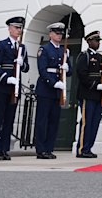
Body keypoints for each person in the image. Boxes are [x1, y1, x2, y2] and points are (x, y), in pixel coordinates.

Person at [0, 16, 29, 161]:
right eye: (16, 27)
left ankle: (4, 149)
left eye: (20, 28)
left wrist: (22, 63)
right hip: (1, 86)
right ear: (9, 28)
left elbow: (26, 67)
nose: (19, 30)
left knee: (9, 119)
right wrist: (5, 77)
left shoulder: (22, 47)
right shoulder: (2, 44)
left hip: (14, 88)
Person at [34, 22, 72, 159]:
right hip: (46, 89)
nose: (59, 35)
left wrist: (67, 68)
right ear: (50, 34)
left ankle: (49, 148)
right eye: (56, 33)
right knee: (42, 121)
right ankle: (41, 149)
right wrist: (54, 83)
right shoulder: (44, 49)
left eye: (61, 33)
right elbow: (42, 70)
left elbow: (69, 72)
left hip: (57, 92)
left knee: (53, 121)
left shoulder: (64, 51)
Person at [75, 31, 102, 158]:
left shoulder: (100, 58)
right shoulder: (84, 56)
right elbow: (82, 75)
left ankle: (89, 147)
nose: (98, 43)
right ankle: (82, 148)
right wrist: (95, 85)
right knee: (86, 122)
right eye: (96, 41)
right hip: (87, 94)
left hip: (97, 96)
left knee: (94, 123)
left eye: (99, 41)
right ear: (89, 42)